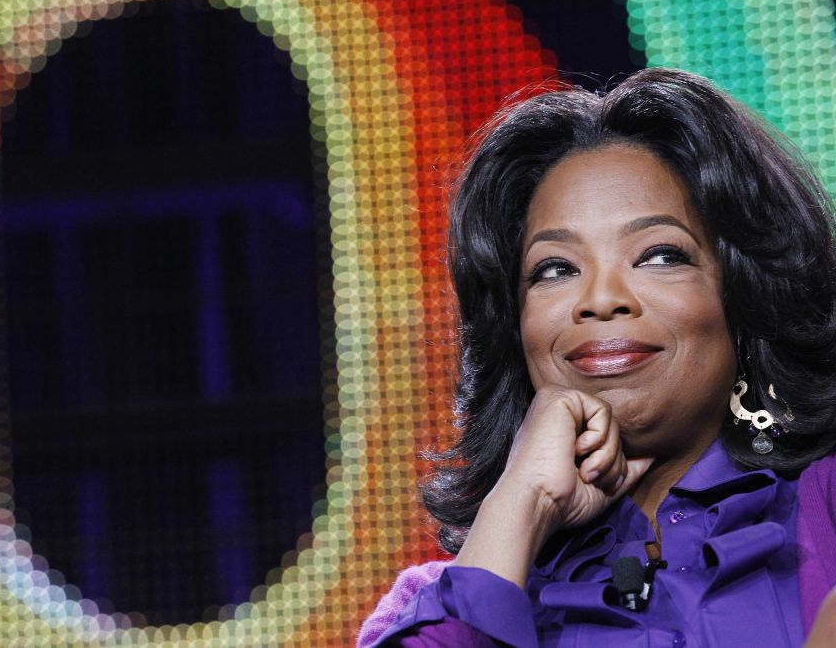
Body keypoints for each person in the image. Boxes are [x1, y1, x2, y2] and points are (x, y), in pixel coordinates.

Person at [358, 68, 836, 647]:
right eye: (555, 269)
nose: (601, 299)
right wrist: (522, 504)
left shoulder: (825, 512)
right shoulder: (438, 605)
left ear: (746, 294)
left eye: (660, 256)